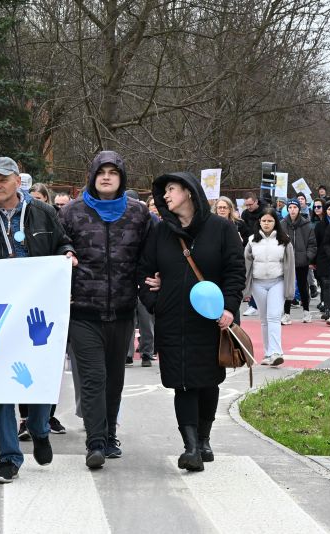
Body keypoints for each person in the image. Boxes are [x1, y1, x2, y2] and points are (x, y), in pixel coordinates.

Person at [0, 156, 76, 483]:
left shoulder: (43, 212)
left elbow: (61, 242)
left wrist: (66, 254)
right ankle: (9, 457)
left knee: (38, 377)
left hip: (37, 313)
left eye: (1, 180)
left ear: (16, 181)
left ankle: (38, 428)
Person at [138, 172, 245, 473]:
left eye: (172, 189)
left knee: (208, 380)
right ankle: (191, 447)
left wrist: (230, 309)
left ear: (189, 192)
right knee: (182, 383)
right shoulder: (160, 233)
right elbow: (144, 272)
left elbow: (235, 272)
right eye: (165, 191)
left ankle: (204, 437)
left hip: (210, 322)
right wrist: (155, 301)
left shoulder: (221, 229)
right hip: (173, 320)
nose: (166, 196)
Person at [59, 151, 149, 468]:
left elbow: (150, 254)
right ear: (93, 175)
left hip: (123, 310)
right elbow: (58, 246)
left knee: (115, 379)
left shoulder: (138, 214)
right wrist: (67, 253)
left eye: (113, 171)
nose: (107, 176)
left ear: (122, 177)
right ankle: (95, 442)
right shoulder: (72, 212)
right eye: (101, 171)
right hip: (84, 311)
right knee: (94, 378)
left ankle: (110, 436)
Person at [245, 208, 295, 365]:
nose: (266, 224)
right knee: (264, 319)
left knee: (274, 316)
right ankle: (268, 354)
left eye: (270, 221)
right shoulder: (252, 240)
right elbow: (246, 265)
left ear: (276, 222)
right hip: (258, 283)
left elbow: (290, 266)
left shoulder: (284, 240)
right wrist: (245, 289)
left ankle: (276, 352)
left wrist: (289, 289)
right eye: (264, 221)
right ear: (259, 222)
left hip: (277, 282)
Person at [280, 199, 316, 324]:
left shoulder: (307, 225)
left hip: (302, 261)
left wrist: (308, 257)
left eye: (295, 207)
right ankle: (286, 313)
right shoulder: (282, 224)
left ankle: (306, 311)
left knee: (302, 286)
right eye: (290, 208)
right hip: (287, 260)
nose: (292, 210)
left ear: (299, 209)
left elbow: (312, 244)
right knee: (288, 287)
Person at [240, 192, 264, 316]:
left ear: (256, 202)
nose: (248, 207)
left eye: (250, 204)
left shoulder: (265, 211)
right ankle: (252, 304)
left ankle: (258, 304)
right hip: (249, 246)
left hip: (262, 246)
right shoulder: (244, 214)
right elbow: (243, 231)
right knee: (249, 276)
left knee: (259, 276)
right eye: (246, 205)